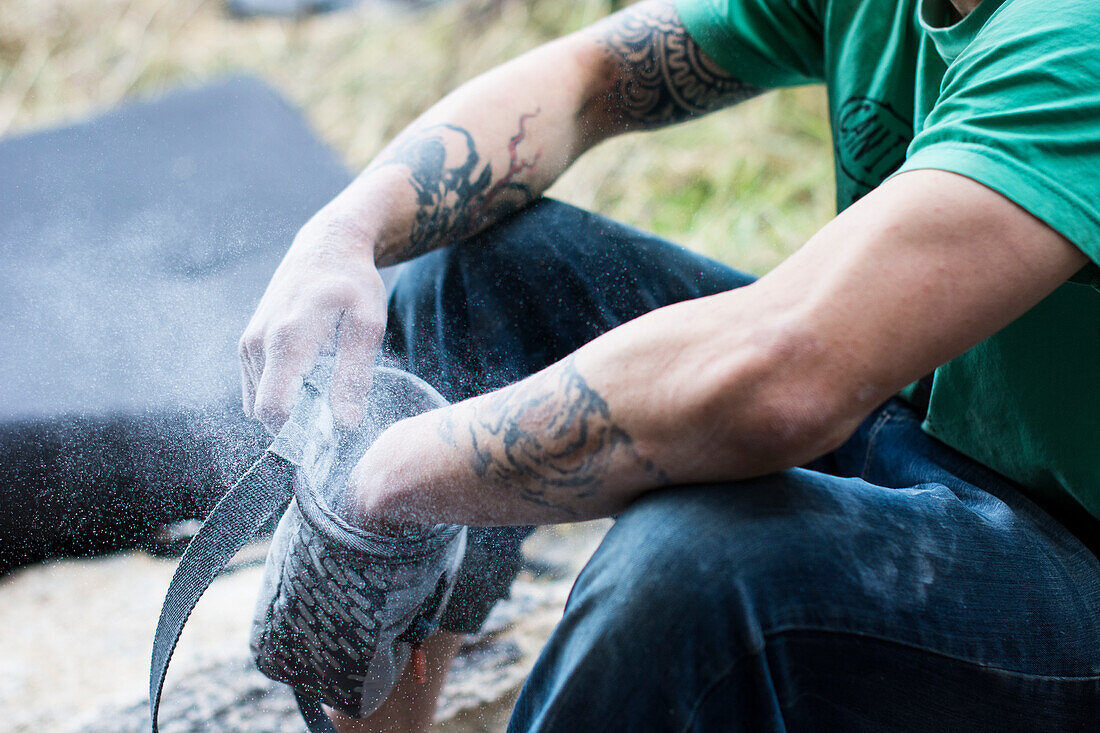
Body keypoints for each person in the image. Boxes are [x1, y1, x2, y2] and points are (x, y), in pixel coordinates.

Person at [238, 0, 1100, 729]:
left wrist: (388, 476)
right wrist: (348, 229)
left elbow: (777, 377)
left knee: (696, 568)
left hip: (1075, 570)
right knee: (474, 275)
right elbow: (592, 76)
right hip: (916, 426)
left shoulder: (1077, 39)